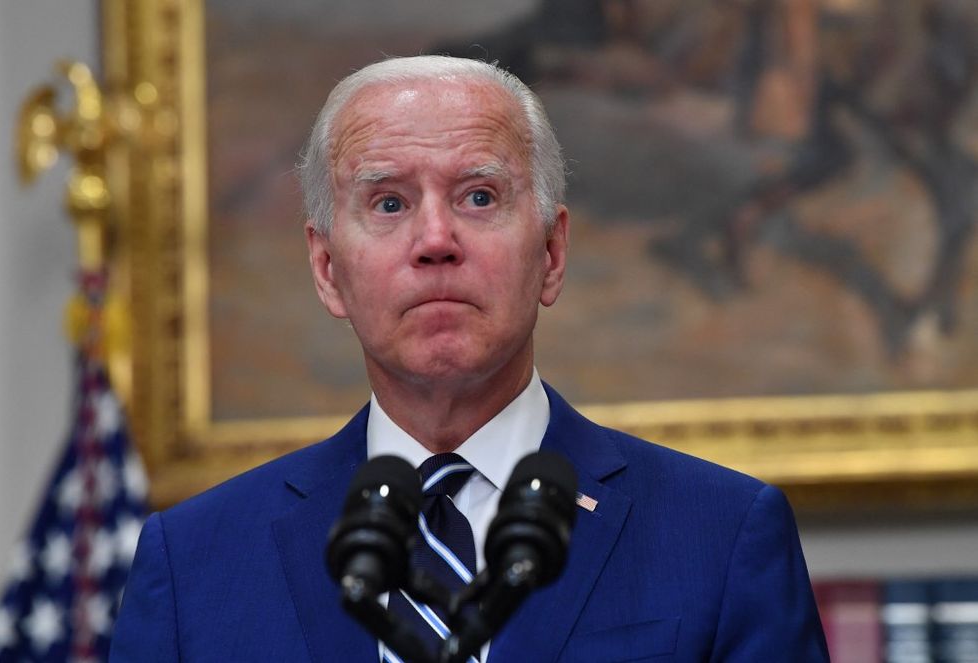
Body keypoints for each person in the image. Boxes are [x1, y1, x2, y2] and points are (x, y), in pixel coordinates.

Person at [111, 55, 828, 662]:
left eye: (479, 195)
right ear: (328, 269)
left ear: (551, 253)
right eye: (388, 203)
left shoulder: (723, 536)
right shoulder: (195, 563)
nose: (435, 239)